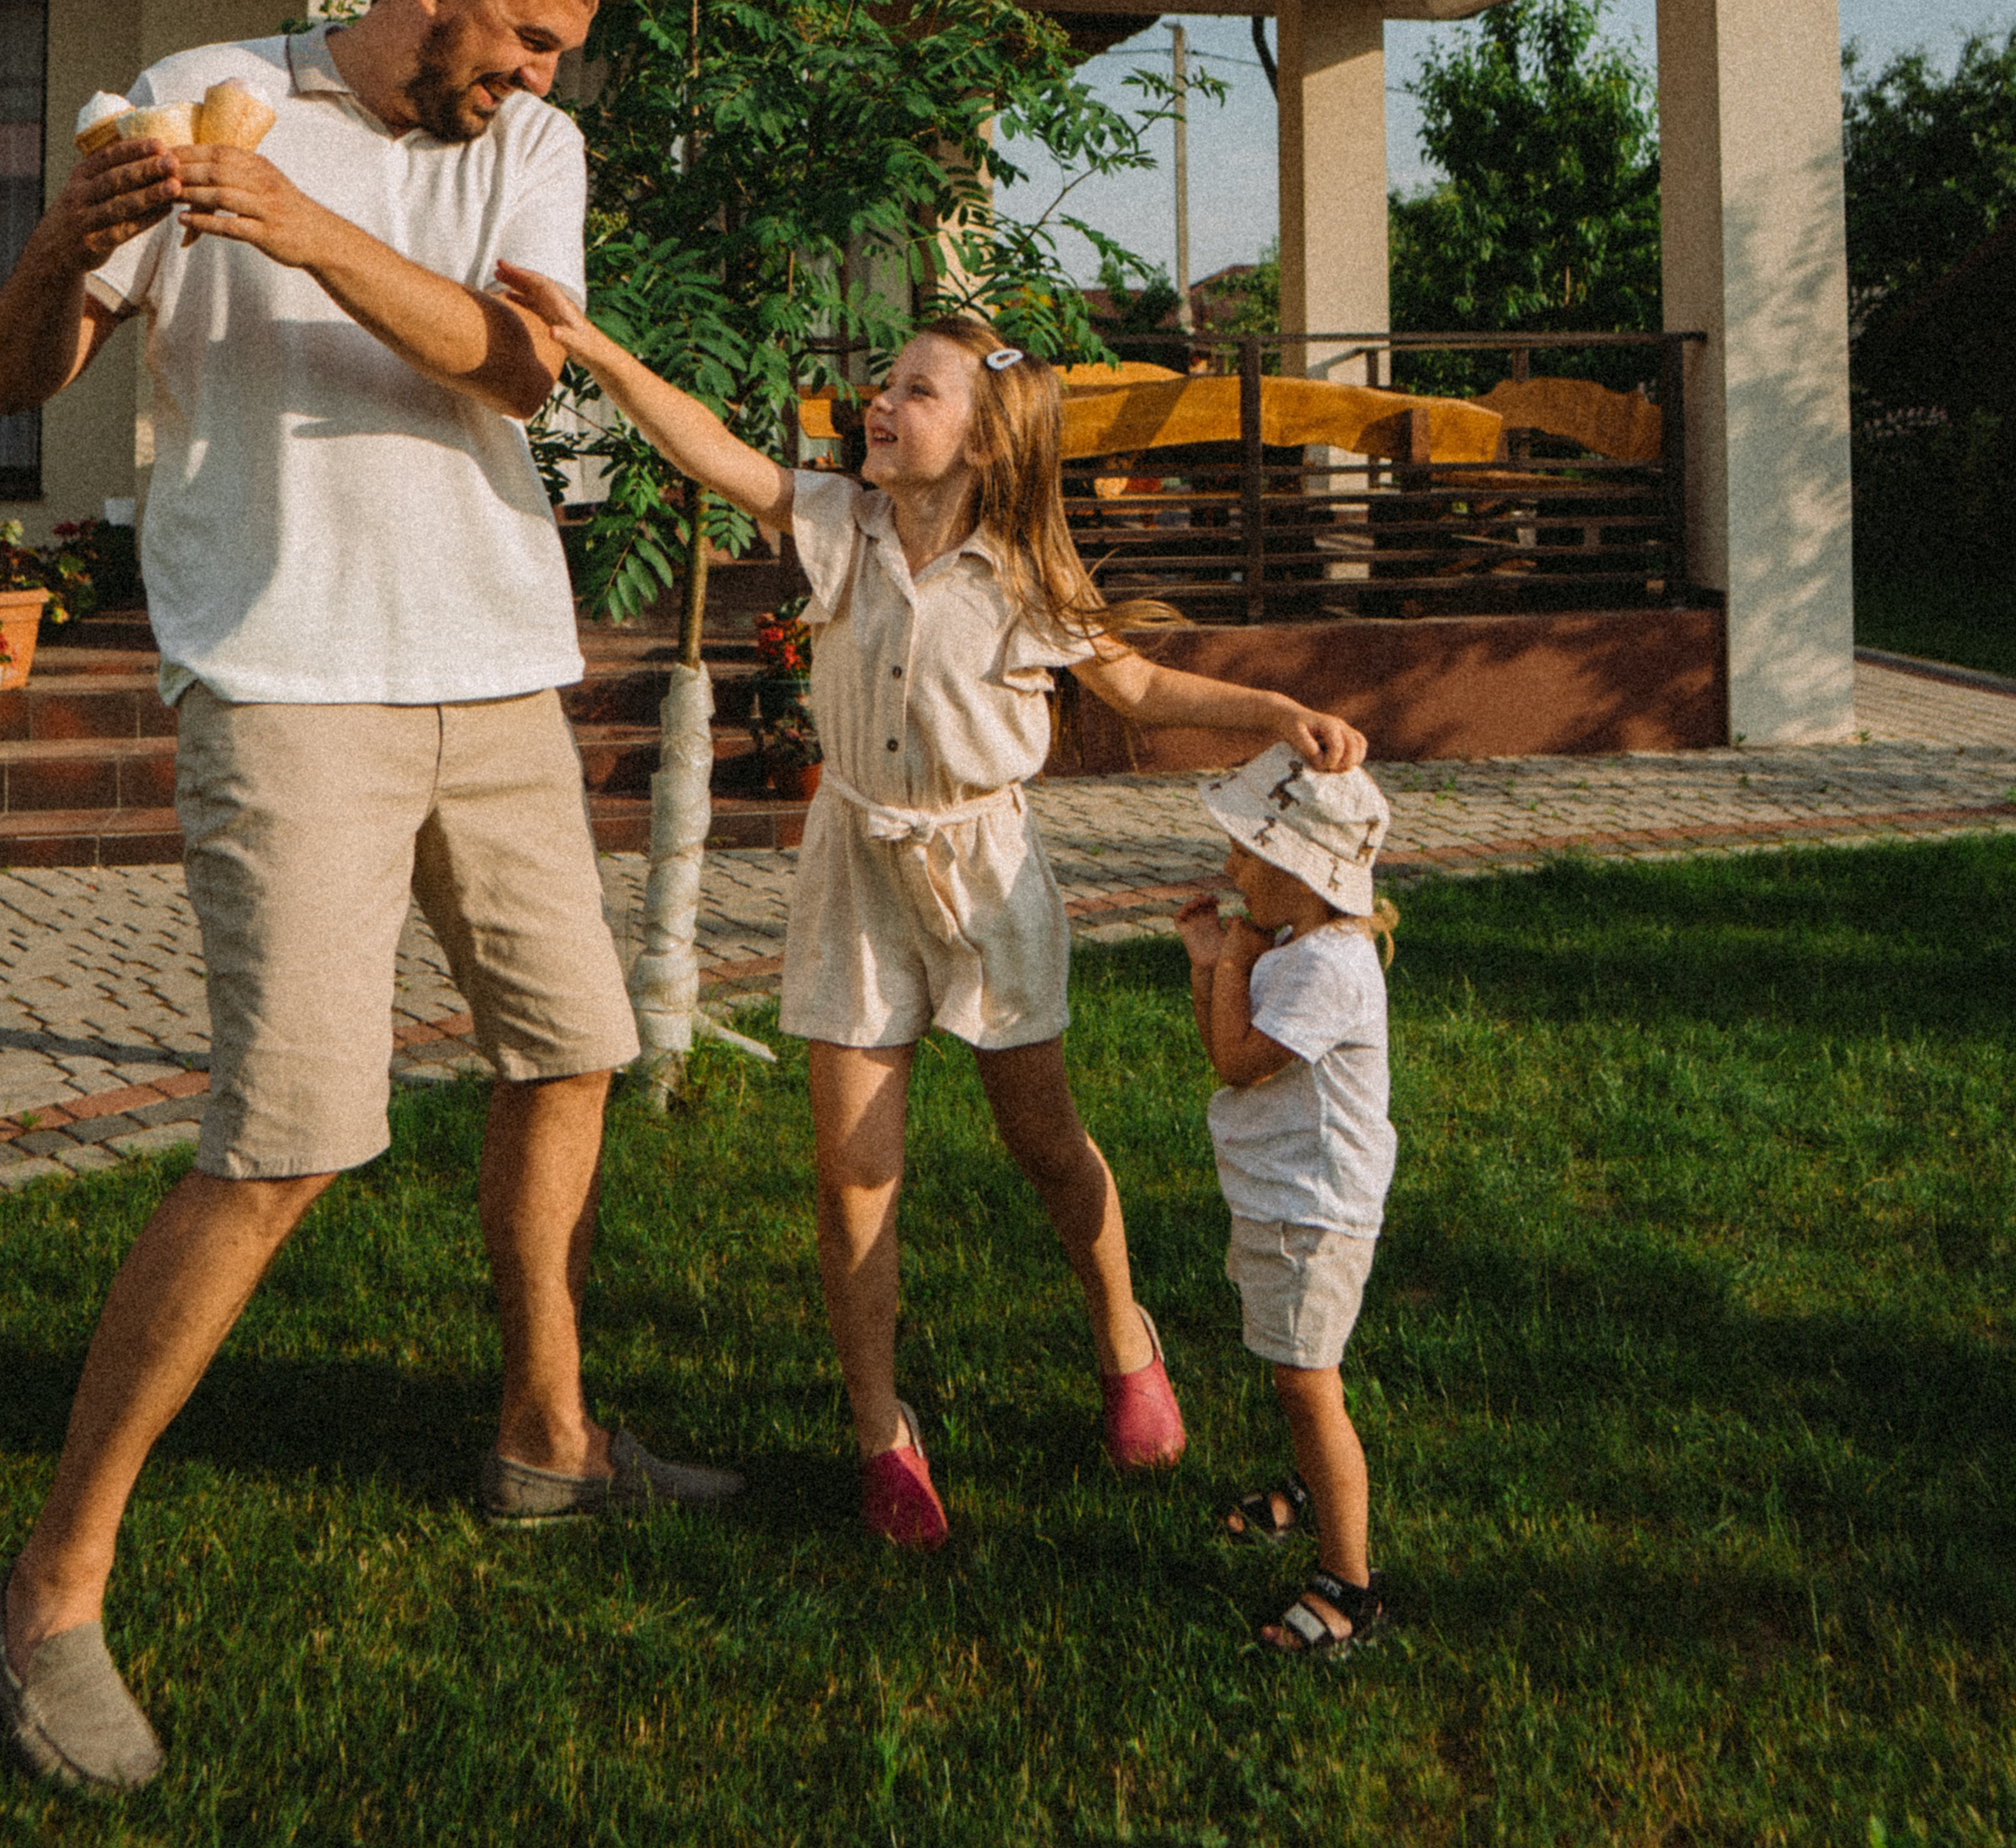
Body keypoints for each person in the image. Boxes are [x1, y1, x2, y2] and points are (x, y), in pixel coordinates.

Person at [0, 0, 741, 1798]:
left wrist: (298, 225)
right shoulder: (189, 86)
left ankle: (545, 1432)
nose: (540, 76)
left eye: (560, 51)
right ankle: (50, 1588)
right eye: (527, 36)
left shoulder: (518, 155)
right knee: (290, 1132)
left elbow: (517, 358)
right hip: (289, 670)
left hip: (489, 657)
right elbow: (14, 364)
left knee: (575, 1039)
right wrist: (72, 240)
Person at [486, 288, 1371, 1549]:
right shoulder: (839, 522)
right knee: (853, 1174)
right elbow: (710, 447)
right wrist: (597, 349)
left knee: (1047, 1144)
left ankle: (1126, 1338)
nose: (880, 406)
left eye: (914, 392)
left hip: (986, 874)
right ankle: (878, 1432)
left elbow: (1132, 681)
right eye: (883, 385)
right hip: (857, 865)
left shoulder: (1026, 569)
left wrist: (1274, 711)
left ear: (988, 441)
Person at [1176, 746, 1397, 1660]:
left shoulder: (1327, 968)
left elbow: (1235, 1062)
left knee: (1310, 1381)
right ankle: (1305, 1488)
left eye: (1246, 855)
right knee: (1290, 1368)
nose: (1231, 871)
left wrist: (1227, 959)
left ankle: (1350, 1579)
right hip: (1277, 1198)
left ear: (1302, 873)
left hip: (1315, 1210)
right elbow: (1223, 1045)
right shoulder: (1291, 945)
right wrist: (1213, 964)